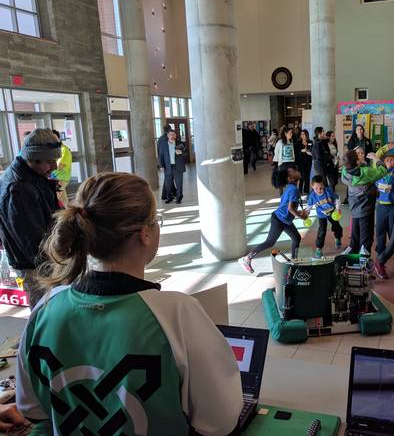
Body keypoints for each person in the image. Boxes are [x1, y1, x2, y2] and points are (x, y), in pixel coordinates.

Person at [17, 172, 243, 436]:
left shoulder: (46, 308)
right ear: (145, 234)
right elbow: (221, 422)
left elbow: (31, 409)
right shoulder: (177, 313)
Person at [0, 129, 61, 307]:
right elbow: (32, 242)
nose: (55, 167)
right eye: (50, 161)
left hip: (45, 258)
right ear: (32, 158)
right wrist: (56, 267)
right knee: (45, 311)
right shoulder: (17, 189)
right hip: (36, 266)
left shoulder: (33, 176)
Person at [239, 167, 308, 273]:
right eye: (293, 171)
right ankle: (246, 259)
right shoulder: (293, 189)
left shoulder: (291, 187)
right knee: (270, 242)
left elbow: (288, 207)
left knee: (296, 238)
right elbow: (290, 208)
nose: (296, 170)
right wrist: (301, 216)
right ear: (290, 178)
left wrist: (299, 213)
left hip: (285, 220)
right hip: (279, 220)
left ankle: (294, 262)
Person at [341, 149, 388, 255]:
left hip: (354, 207)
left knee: (355, 233)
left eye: (361, 152)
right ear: (357, 161)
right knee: (366, 236)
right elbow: (383, 170)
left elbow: (352, 166)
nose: (361, 154)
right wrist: (376, 158)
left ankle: (353, 252)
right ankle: (364, 258)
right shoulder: (365, 172)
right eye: (358, 154)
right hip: (365, 208)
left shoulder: (344, 172)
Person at [370, 143, 394, 258]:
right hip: (380, 206)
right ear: (383, 163)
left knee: (393, 231)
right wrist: (385, 148)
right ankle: (380, 251)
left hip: (393, 207)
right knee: (380, 230)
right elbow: (377, 155)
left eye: (392, 160)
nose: (390, 161)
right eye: (387, 160)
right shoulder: (378, 171)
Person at [307, 175, 342, 258]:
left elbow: (337, 199)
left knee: (336, 226)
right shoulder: (312, 196)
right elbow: (309, 206)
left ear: (324, 185)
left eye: (321, 188)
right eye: (316, 188)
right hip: (321, 215)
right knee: (322, 231)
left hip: (332, 213)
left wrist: (338, 209)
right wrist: (307, 213)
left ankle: (337, 238)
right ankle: (319, 248)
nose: (319, 190)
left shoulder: (328, 191)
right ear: (312, 187)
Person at [158, 129, 186, 204]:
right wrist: (161, 165)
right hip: (167, 167)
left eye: (174, 134)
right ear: (167, 136)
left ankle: (179, 198)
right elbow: (160, 156)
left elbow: (185, 154)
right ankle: (169, 197)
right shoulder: (163, 144)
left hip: (178, 167)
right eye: (171, 134)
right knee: (168, 184)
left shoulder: (180, 143)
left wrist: (181, 153)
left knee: (179, 184)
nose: (172, 136)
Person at [272, 126, 296, 195]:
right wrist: (276, 163)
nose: (291, 134)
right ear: (285, 133)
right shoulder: (280, 142)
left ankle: (290, 193)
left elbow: (292, 152)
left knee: (291, 180)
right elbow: (276, 152)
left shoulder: (291, 141)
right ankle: (282, 194)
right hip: (283, 164)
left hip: (291, 163)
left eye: (292, 133)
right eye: (290, 133)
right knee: (283, 180)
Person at [50, 129, 72, 205]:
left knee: (59, 200)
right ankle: (68, 214)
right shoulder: (55, 150)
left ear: (58, 138)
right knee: (62, 199)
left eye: (54, 138)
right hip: (56, 178)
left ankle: (66, 215)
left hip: (60, 178)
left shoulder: (64, 150)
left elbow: (60, 166)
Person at [158, 125, 175, 202]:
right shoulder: (166, 138)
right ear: (168, 130)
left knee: (169, 179)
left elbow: (159, 152)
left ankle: (172, 192)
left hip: (164, 161)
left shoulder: (160, 138)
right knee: (168, 180)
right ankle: (165, 195)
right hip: (168, 162)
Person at [295, 129, 313, 194]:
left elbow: (312, 150)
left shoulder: (310, 142)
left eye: (303, 134)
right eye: (301, 134)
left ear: (306, 135)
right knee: (302, 176)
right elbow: (296, 152)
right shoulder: (298, 143)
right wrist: (301, 151)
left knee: (307, 176)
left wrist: (309, 151)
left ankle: (306, 190)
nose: (302, 135)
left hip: (308, 161)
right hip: (301, 161)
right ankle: (300, 190)